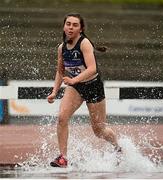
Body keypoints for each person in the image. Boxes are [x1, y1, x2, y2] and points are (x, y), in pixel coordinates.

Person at [47, 13, 122, 168]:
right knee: (62, 117)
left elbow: (92, 69)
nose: (70, 27)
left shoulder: (84, 43)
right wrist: (55, 91)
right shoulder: (62, 48)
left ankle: (117, 147)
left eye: (75, 25)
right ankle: (63, 158)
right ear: (64, 26)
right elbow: (60, 71)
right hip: (76, 87)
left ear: (80, 29)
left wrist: (74, 79)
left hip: (93, 85)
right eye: (68, 24)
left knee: (99, 130)